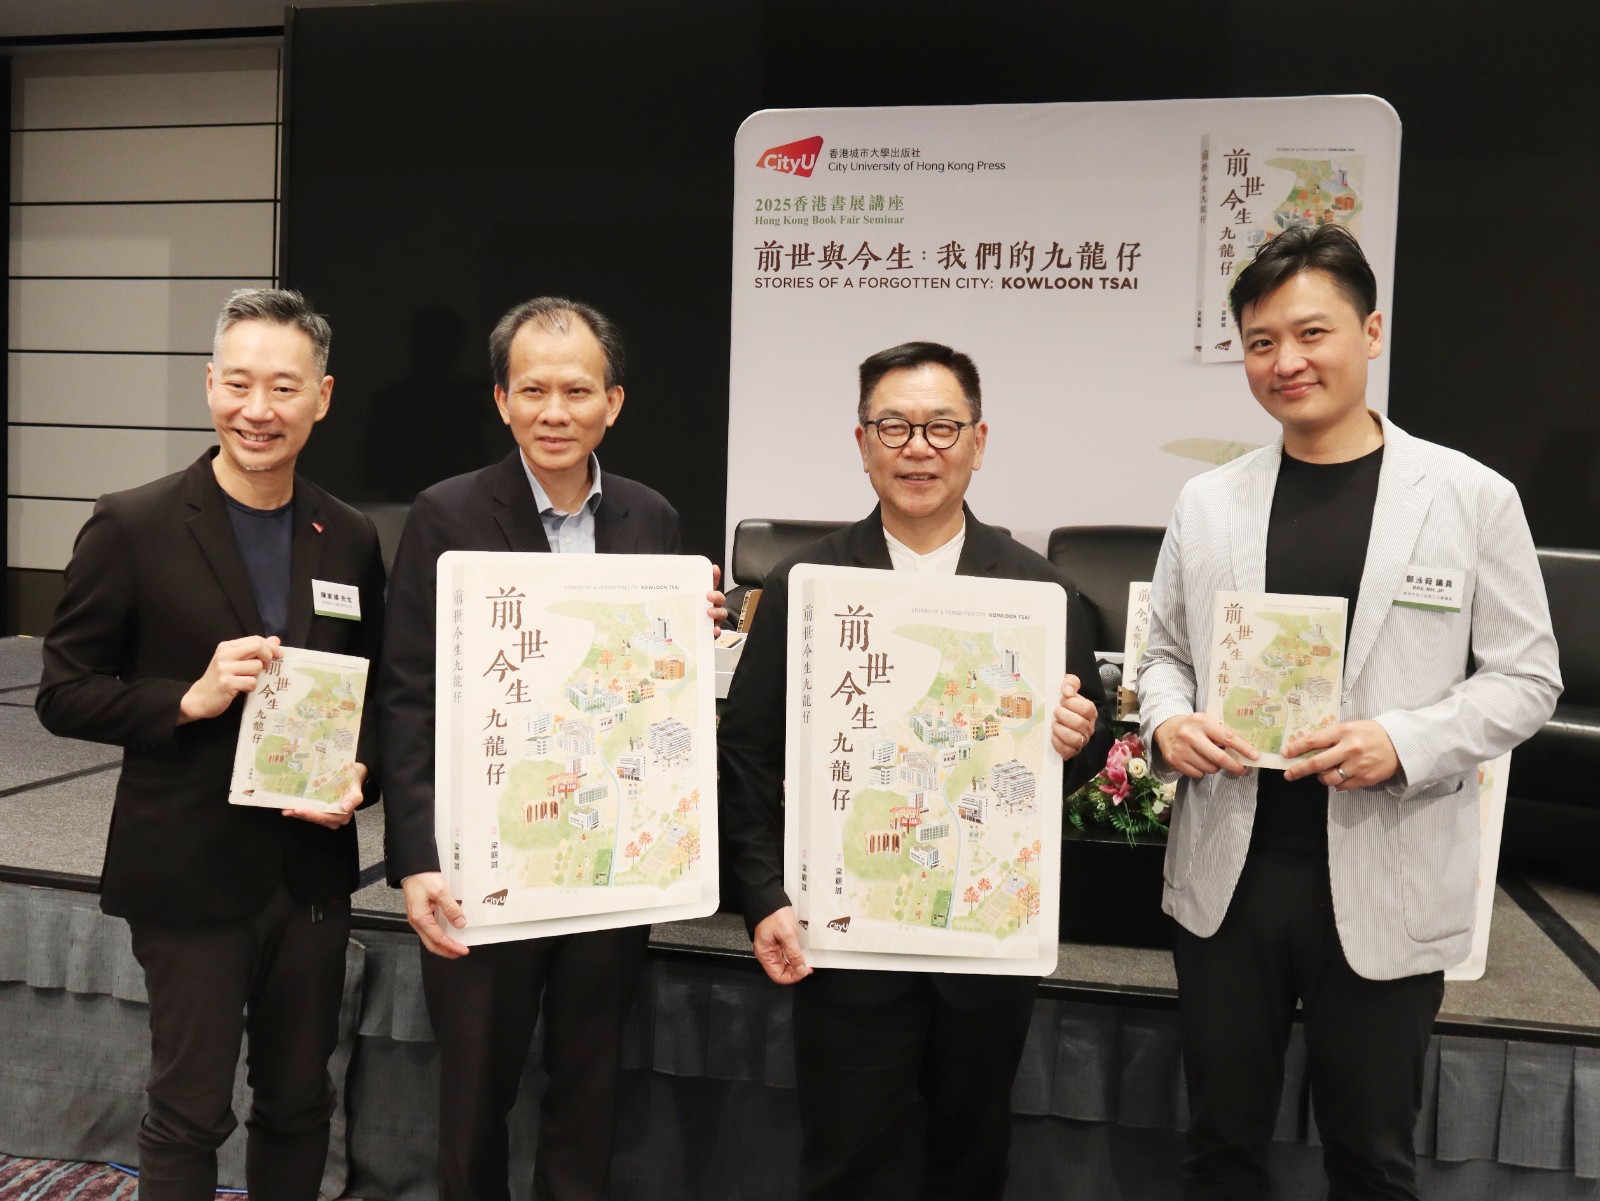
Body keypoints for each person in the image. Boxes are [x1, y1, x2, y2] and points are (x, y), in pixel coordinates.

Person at [1137, 224, 1561, 1200]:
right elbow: (1163, 656)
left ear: (1370, 332)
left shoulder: (1469, 497)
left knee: (1371, 1158)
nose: (1285, 360)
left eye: (1311, 332)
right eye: (1260, 341)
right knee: (1218, 1146)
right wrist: (1166, 723)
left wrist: (1401, 741)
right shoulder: (1208, 502)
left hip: (1385, 868)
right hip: (1230, 877)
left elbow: (1527, 676)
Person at [718, 340, 1113, 1201]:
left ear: (979, 441)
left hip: (984, 944)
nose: (918, 448)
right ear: (862, 443)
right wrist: (763, 893)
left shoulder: (1042, 594)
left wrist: (1076, 736)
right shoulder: (806, 582)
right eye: (894, 426)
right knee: (846, 1162)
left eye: (942, 426)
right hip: (843, 939)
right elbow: (746, 751)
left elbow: (1078, 761)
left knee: (969, 1165)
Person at [35, 288, 385, 1201]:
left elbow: (376, 694)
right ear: (209, 385)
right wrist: (186, 699)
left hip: (310, 870)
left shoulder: (348, 536)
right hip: (188, 866)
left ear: (322, 396)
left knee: (301, 1102)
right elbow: (63, 693)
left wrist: (363, 771)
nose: (257, 409)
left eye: (283, 386)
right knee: (189, 1108)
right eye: (237, 383)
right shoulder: (133, 523)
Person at [379, 297, 725, 1201]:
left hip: (606, 858)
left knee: (589, 1082)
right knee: (474, 1089)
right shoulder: (446, 513)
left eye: (578, 390)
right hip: (485, 852)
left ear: (614, 401)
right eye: (533, 389)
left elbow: (656, 684)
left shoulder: (651, 516)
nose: (555, 411)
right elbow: (406, 691)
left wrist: (691, 634)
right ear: (502, 400)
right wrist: (414, 855)